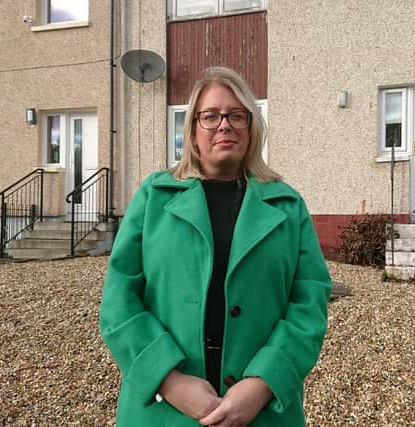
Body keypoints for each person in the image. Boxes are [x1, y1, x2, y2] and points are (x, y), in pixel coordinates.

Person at [99, 66, 332, 427]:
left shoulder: (287, 206)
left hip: (262, 412)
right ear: (193, 131)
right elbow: (119, 298)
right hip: (163, 411)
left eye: (237, 115)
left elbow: (309, 302)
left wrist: (262, 383)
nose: (224, 125)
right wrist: (169, 380)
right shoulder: (153, 197)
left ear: (251, 129)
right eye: (210, 116)